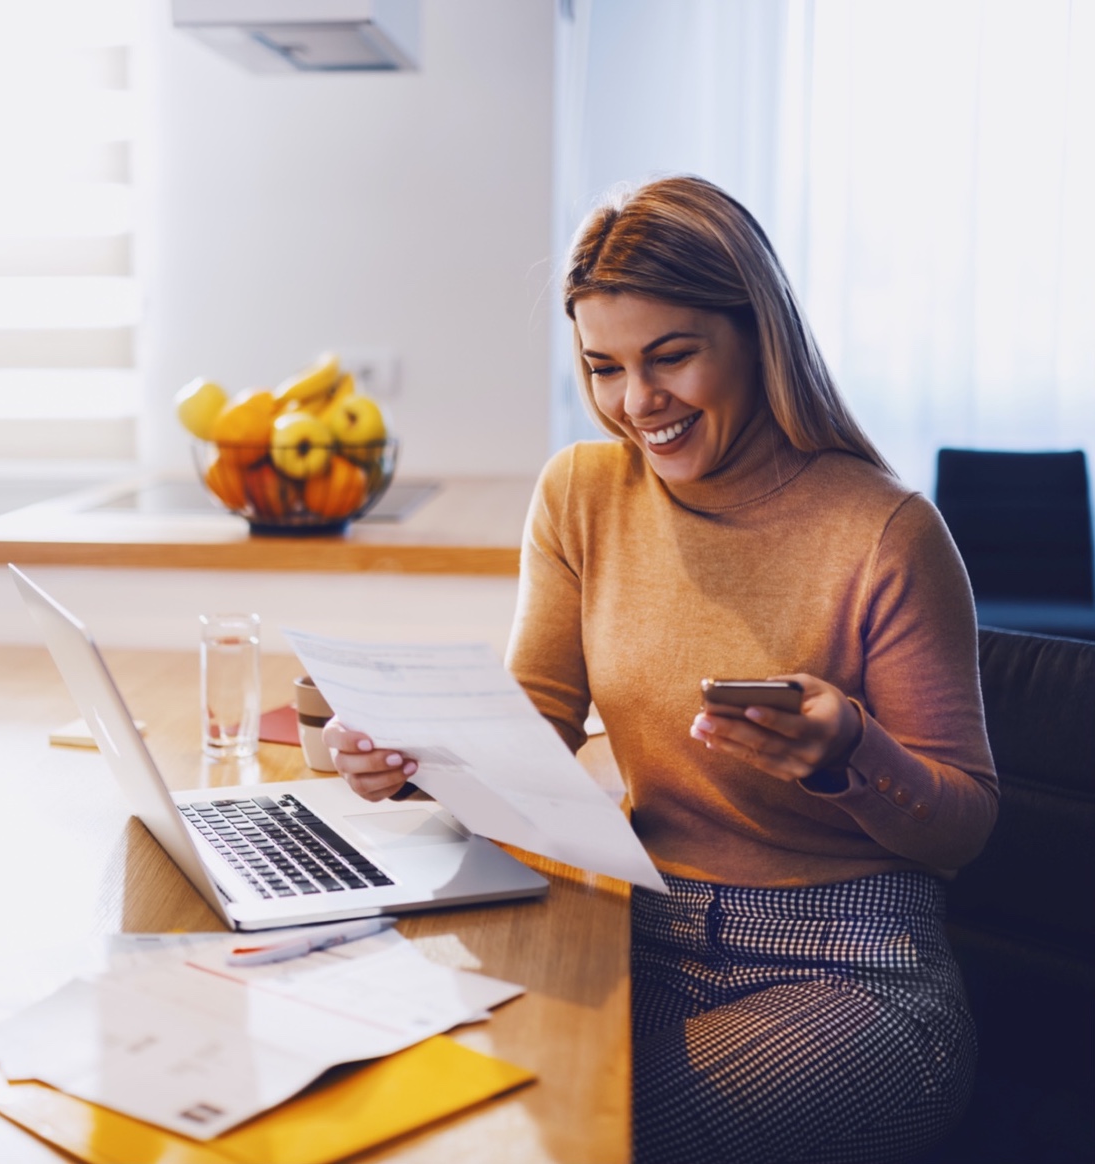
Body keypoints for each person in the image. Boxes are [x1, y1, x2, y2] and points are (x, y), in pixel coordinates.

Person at [325, 175, 999, 1164]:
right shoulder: (580, 494)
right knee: (411, 1093)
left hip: (854, 971)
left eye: (670, 357)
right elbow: (535, 726)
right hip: (635, 930)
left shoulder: (885, 531)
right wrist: (412, 752)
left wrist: (847, 750)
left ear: (753, 333)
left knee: (573, 1140)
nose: (637, 404)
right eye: (603, 367)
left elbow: (964, 826)